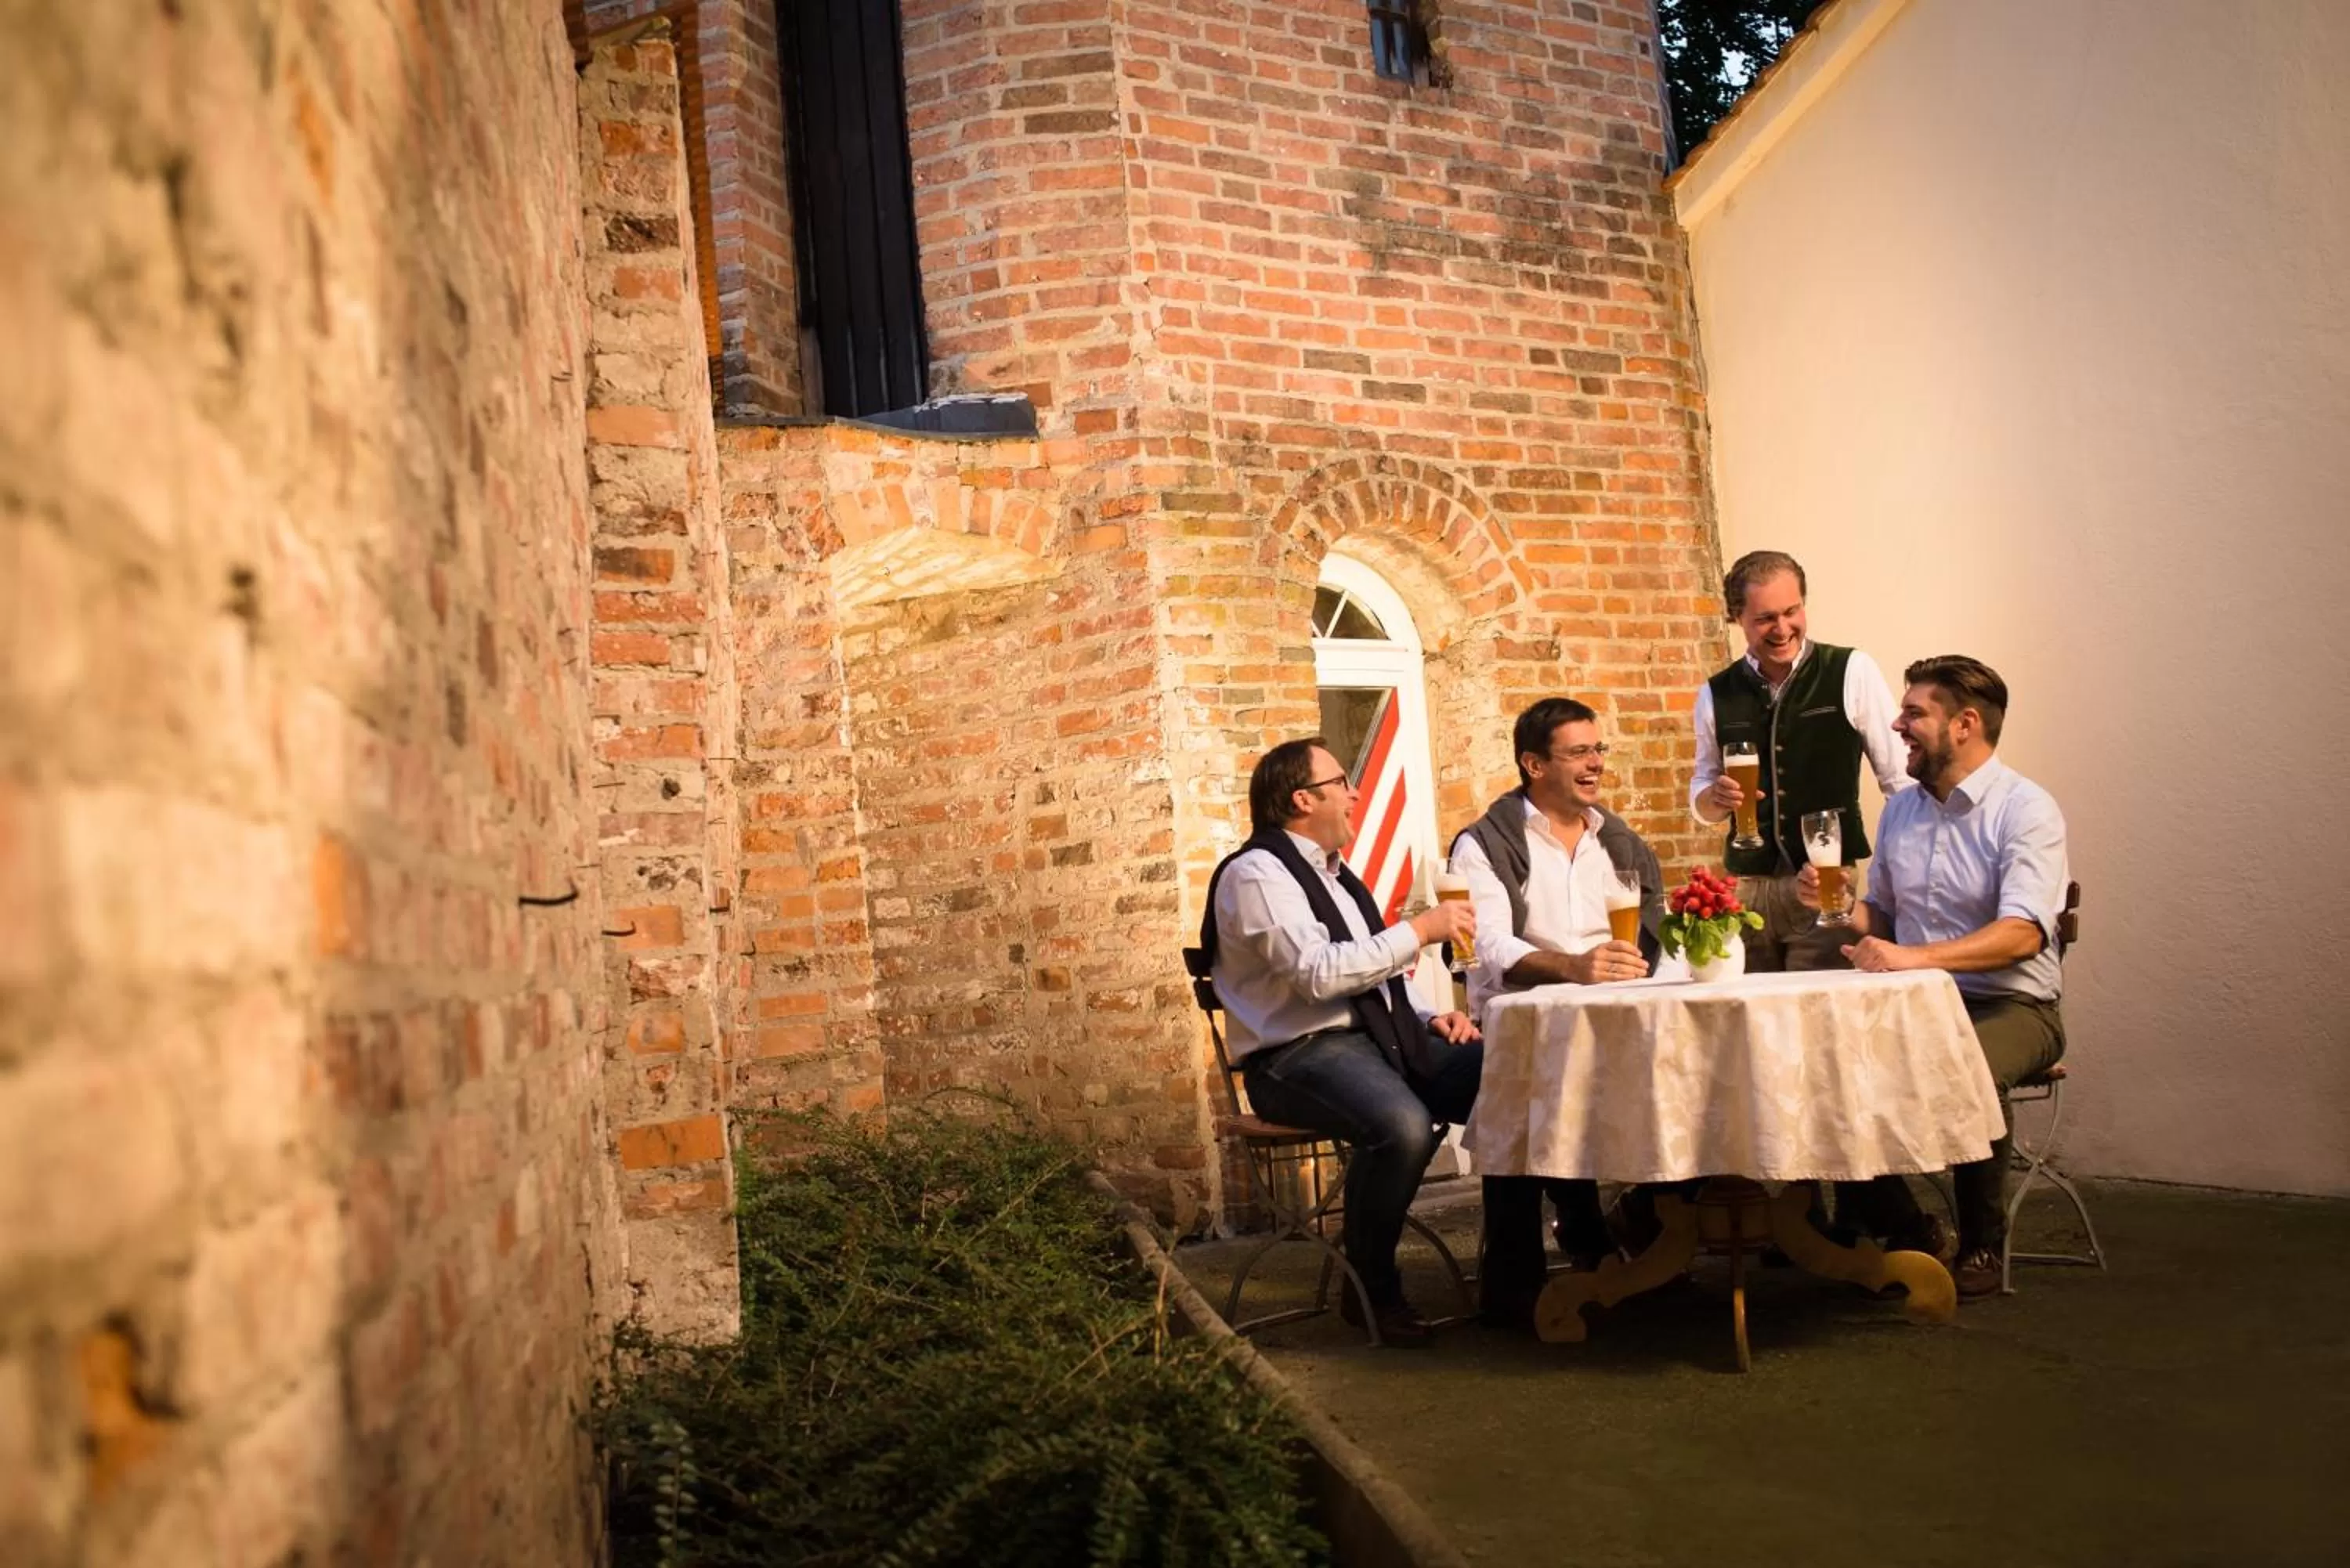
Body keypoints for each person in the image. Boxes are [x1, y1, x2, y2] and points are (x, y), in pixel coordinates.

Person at [1797, 656, 2069, 1299]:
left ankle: (1982, 1243)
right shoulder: (1901, 813)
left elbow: (2024, 934)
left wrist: (1912, 958)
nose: (1897, 724)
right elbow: (1883, 918)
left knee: (1966, 1060)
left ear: (1965, 724)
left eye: (1915, 713)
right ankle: (1907, 1226)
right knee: (1823, 1061)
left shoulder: (2027, 810)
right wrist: (1835, 907)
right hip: (1915, 1001)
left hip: (2015, 1008)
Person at [1201, 738, 1482, 1348]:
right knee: (1403, 1127)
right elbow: (1319, 974)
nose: (1355, 793)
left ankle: (1526, 1263)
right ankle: (1373, 1292)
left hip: (1376, 1041)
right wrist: (1422, 929)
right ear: (1303, 799)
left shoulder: (1334, 876)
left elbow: (1368, 975)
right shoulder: (1256, 875)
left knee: (1510, 1073)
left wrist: (1427, 1014)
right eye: (1342, 782)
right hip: (1292, 1057)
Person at [1449, 699, 1668, 1327]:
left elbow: (1655, 937)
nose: (1595, 764)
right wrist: (1572, 967)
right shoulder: (1485, 844)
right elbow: (1488, 950)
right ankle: (1520, 1273)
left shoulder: (1617, 839)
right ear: (1533, 764)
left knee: (1689, 1070)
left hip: (1615, 1018)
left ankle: (1649, 1234)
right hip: (1527, 1020)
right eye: (1579, 753)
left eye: (1598, 750)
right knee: (1533, 1082)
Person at [1690, 551, 1910, 972]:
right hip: (1747, 890)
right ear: (1737, 617)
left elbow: (1899, 781)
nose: (1783, 628)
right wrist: (1714, 800)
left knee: (1821, 1021)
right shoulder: (1716, 693)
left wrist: (1895, 875)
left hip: (1824, 881)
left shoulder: (1851, 670)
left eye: (1792, 611)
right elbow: (1702, 794)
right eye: (1765, 618)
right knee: (1754, 1023)